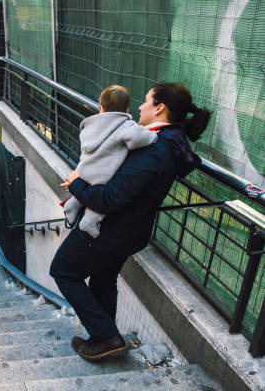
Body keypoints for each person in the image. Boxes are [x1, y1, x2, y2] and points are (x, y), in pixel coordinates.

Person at [50, 83, 211, 362]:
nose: (139, 106)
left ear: (159, 108)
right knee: (103, 279)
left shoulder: (155, 148)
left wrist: (77, 184)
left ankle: (106, 336)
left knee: (63, 271)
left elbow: (111, 199)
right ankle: (102, 340)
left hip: (111, 230)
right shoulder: (165, 142)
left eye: (146, 101)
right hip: (129, 231)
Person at [63, 85, 157, 238]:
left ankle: (72, 204)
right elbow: (137, 140)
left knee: (82, 191)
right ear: (126, 109)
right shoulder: (125, 126)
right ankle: (91, 220)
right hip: (102, 176)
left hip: (83, 170)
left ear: (101, 107)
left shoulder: (91, 124)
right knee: (100, 198)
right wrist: (152, 136)